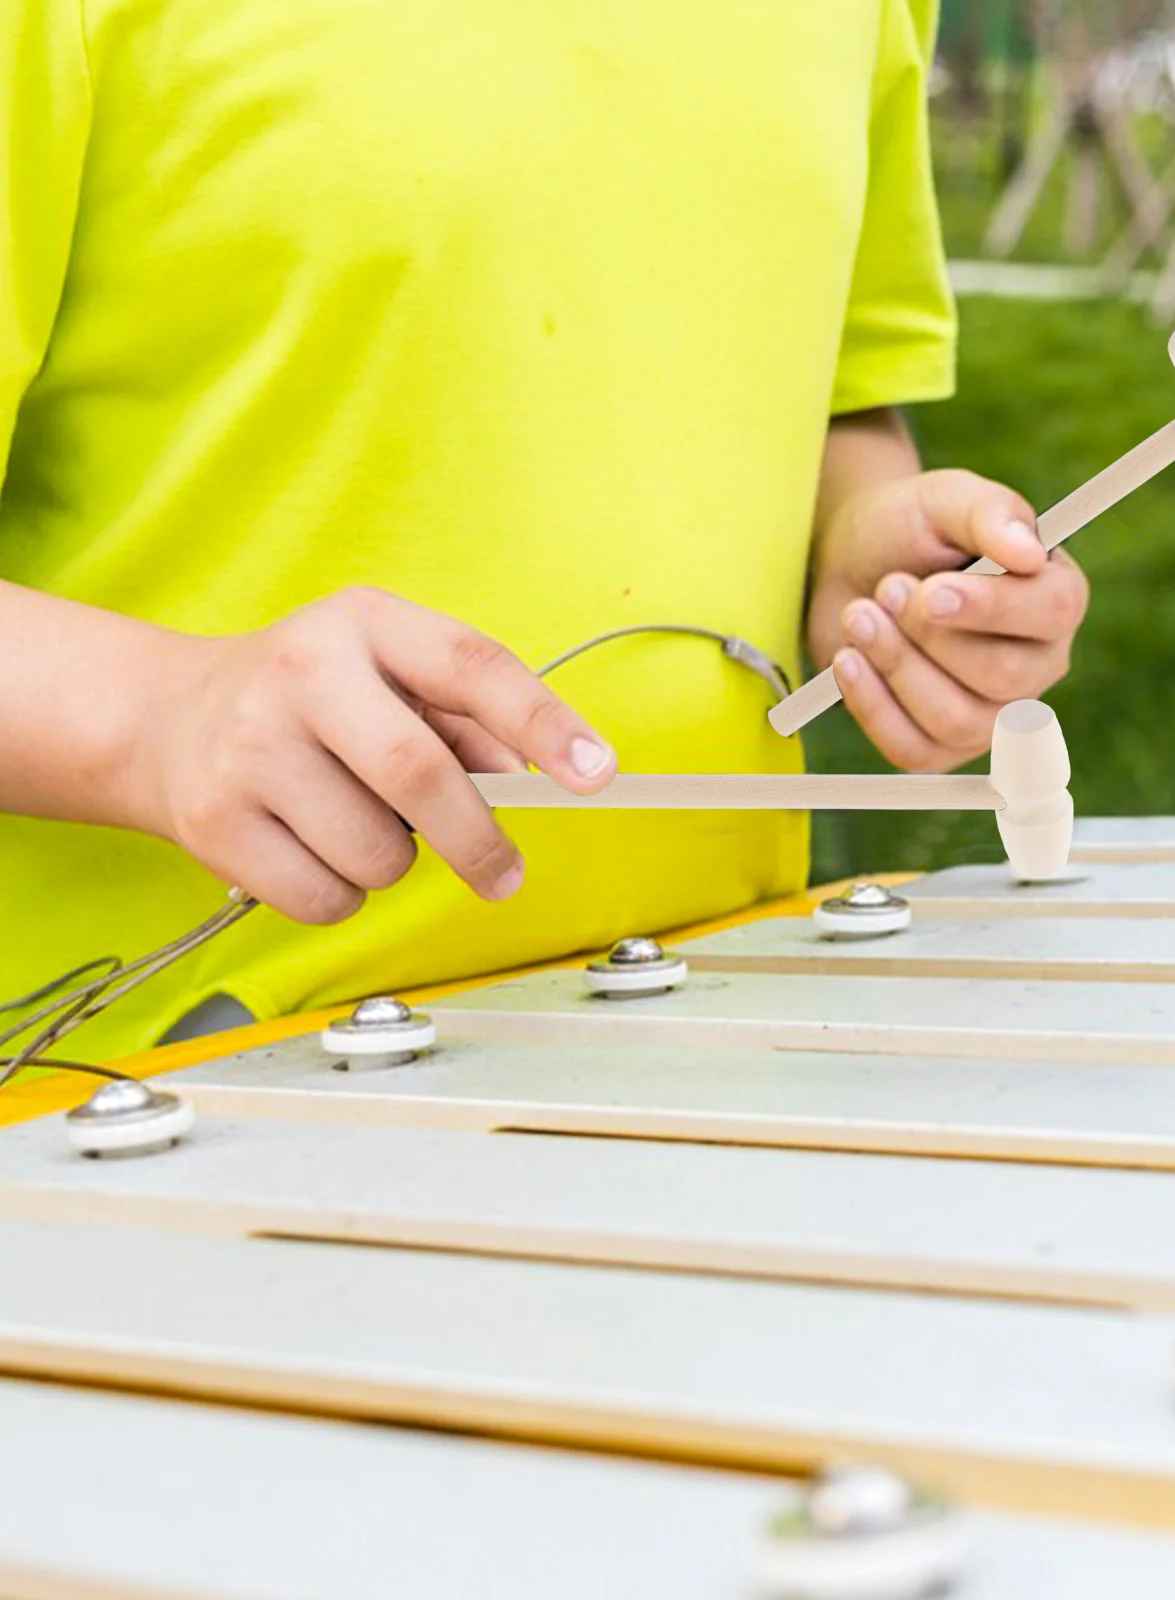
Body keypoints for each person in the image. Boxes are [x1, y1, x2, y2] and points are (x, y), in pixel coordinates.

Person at [0, 0, 1089, 1060]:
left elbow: (839, 384)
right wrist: (156, 717)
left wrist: (859, 535)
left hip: (723, 1021)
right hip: (150, 1089)